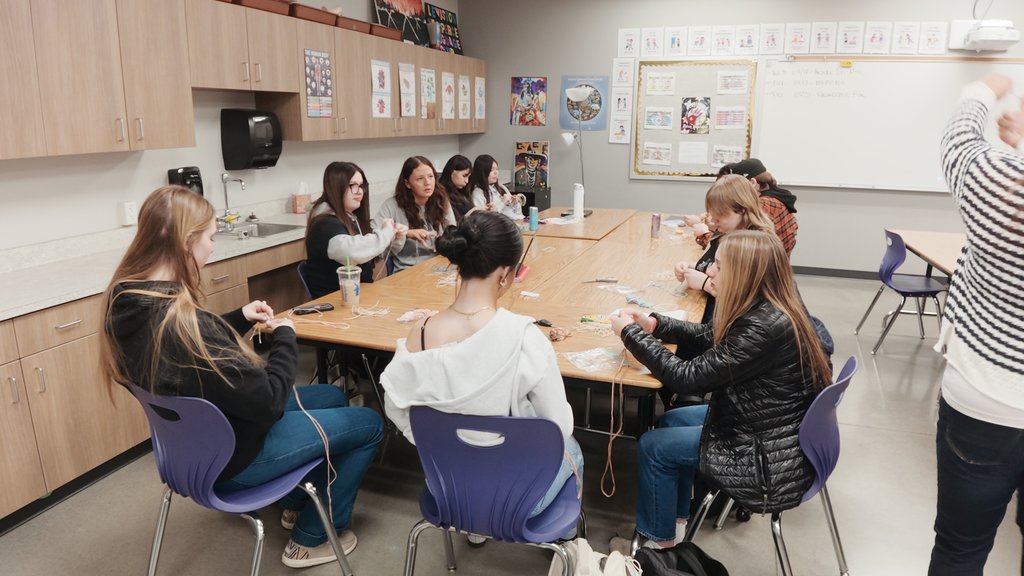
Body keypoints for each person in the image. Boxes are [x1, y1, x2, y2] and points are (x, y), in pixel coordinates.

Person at [99, 186, 383, 569]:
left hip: (192, 451)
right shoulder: (188, 325)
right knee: (368, 423)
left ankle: (297, 501)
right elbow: (266, 402)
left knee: (330, 398)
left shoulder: (127, 300)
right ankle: (311, 538)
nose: (212, 248)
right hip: (236, 458)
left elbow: (191, 347)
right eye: (211, 238)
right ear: (186, 243)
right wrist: (286, 337)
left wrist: (236, 319)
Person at [609, 230, 831, 549]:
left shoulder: (761, 327)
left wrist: (631, 335)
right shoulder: (766, 307)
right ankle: (674, 523)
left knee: (653, 446)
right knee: (673, 421)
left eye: (719, 265)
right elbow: (707, 335)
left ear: (744, 274)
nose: (710, 269)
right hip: (769, 426)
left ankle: (657, 547)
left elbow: (685, 378)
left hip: (765, 455)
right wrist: (654, 325)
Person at [379, 211, 583, 543]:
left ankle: (475, 528)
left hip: (448, 491)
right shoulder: (524, 337)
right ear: (505, 273)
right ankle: (568, 546)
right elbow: (559, 429)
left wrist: (439, 442)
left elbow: (397, 408)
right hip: (518, 502)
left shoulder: (422, 332)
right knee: (572, 448)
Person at [928, 74, 1024, 575]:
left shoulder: (1000, 182)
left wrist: (984, 88)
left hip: (984, 400)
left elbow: (961, 138)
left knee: (961, 547)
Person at [675, 174, 775, 323]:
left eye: (719, 216)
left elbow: (746, 297)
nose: (714, 222)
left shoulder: (755, 244)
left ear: (742, 209)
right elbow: (719, 267)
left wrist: (705, 284)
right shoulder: (726, 231)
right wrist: (690, 267)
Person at [304, 161, 408, 298]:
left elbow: (372, 254)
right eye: (352, 185)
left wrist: (394, 237)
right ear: (336, 188)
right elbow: (352, 252)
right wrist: (386, 234)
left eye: (361, 186)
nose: (359, 191)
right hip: (335, 302)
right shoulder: (324, 224)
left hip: (361, 296)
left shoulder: (351, 217)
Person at [376, 156, 457, 272]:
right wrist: (406, 233)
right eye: (420, 179)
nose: (427, 183)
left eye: (431, 177)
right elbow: (377, 238)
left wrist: (444, 242)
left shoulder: (441, 200)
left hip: (440, 265)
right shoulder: (391, 205)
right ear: (407, 183)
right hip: (408, 269)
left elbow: (453, 232)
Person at [719, 158, 799, 254]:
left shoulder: (762, 206)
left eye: (737, 186)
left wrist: (705, 234)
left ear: (752, 183)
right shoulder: (778, 197)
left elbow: (738, 245)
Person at [468, 154, 524, 220]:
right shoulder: (478, 193)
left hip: (518, 222)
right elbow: (482, 220)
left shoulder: (501, 187)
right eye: (491, 170)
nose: (496, 172)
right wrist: (502, 202)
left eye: (497, 169)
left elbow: (515, 213)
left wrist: (515, 202)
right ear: (482, 172)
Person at [438, 154, 476, 223]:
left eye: (468, 177)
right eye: (464, 176)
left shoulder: (463, 191)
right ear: (452, 172)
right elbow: (451, 223)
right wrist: (473, 211)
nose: (467, 181)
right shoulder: (441, 194)